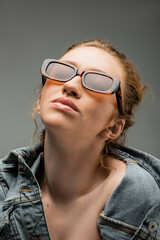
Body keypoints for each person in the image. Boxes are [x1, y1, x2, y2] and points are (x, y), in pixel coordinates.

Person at [0, 39, 160, 240]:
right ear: (40, 101)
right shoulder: (4, 188)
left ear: (114, 126)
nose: (70, 85)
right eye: (60, 72)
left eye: (98, 82)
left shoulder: (142, 197)